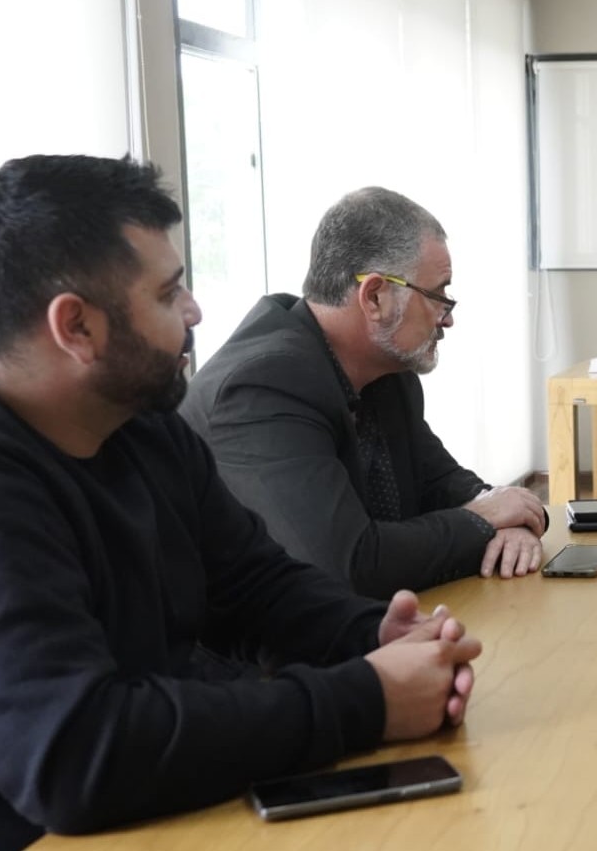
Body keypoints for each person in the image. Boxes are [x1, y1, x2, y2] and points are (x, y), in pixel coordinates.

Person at [0, 156, 481, 850]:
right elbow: (75, 755)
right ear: (75, 327)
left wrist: (373, 635)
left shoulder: (136, 424)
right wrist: (368, 700)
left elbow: (255, 583)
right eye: (169, 293)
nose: (195, 309)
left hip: (146, 810)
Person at [181, 187, 547, 597]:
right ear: (375, 296)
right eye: (438, 294)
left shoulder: (385, 369)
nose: (447, 319)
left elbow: (442, 483)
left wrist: (513, 520)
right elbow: (346, 565)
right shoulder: (263, 386)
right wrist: (483, 521)